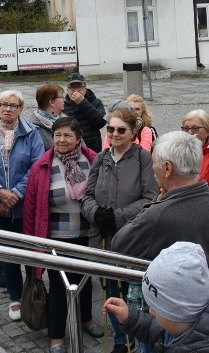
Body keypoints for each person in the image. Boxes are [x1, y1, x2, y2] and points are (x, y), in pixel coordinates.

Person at [22, 117, 104, 353]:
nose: (61, 140)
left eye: (67, 135)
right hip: (56, 237)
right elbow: (31, 207)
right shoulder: (42, 166)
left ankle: (86, 319)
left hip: (87, 234)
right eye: (58, 135)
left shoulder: (93, 160)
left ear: (78, 138)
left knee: (86, 281)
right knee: (60, 286)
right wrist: (32, 242)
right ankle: (57, 334)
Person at [82, 108, 158, 353]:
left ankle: (137, 335)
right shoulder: (101, 158)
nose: (114, 134)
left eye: (121, 130)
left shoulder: (142, 158)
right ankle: (120, 341)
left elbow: (150, 198)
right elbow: (87, 196)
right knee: (111, 290)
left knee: (133, 291)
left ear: (133, 132)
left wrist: (116, 216)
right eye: (111, 129)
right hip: (103, 237)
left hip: (132, 238)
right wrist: (96, 213)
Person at [112, 131, 209, 274]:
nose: (152, 168)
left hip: (176, 293)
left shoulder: (158, 214)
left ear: (167, 168)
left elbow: (119, 244)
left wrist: (157, 203)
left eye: (154, 162)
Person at [0, 90, 45, 321]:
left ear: (20, 109)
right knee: (7, 253)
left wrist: (15, 193)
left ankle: (33, 291)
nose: (8, 109)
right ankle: (15, 296)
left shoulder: (31, 133)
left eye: (13, 105)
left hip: (25, 205)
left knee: (29, 252)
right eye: (4, 105)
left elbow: (36, 167)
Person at [103, 242, 209, 353]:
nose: (151, 311)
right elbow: (157, 332)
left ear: (179, 311)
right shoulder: (181, 326)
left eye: (158, 308)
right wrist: (130, 318)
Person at [62, 72, 107, 152]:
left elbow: (101, 122)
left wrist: (83, 102)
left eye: (79, 87)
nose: (76, 91)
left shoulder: (96, 102)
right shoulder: (63, 105)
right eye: (72, 87)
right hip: (70, 149)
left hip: (92, 148)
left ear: (85, 89)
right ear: (67, 90)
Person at [28, 83, 66, 150]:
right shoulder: (34, 129)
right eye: (61, 97)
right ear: (51, 102)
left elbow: (82, 146)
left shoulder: (67, 120)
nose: (64, 100)